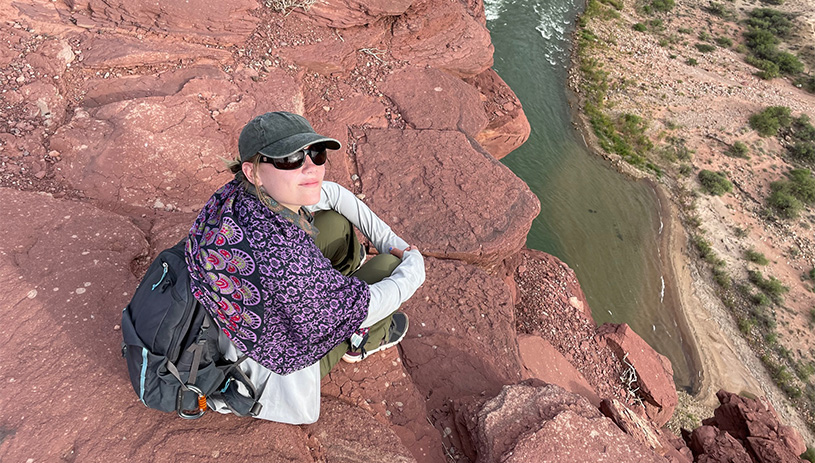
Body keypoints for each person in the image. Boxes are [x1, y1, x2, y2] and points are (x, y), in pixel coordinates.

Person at [184, 111, 425, 424]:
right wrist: (413, 267)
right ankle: (359, 340)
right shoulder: (286, 259)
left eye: (316, 153)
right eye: (290, 159)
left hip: (236, 321)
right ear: (253, 171)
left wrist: (386, 237)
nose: (311, 166)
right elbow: (366, 305)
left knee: (334, 224)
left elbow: (334, 194)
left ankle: (332, 292)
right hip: (269, 370)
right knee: (390, 268)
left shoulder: (239, 195)